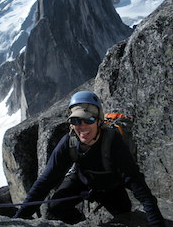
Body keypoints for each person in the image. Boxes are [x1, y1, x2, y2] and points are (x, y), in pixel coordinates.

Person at [13, 90, 166, 226]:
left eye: (89, 120)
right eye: (76, 120)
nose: (82, 126)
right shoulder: (69, 143)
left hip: (111, 186)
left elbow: (141, 190)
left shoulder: (113, 143)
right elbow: (44, 183)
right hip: (83, 180)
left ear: (99, 121)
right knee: (56, 205)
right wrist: (18, 220)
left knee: (124, 214)